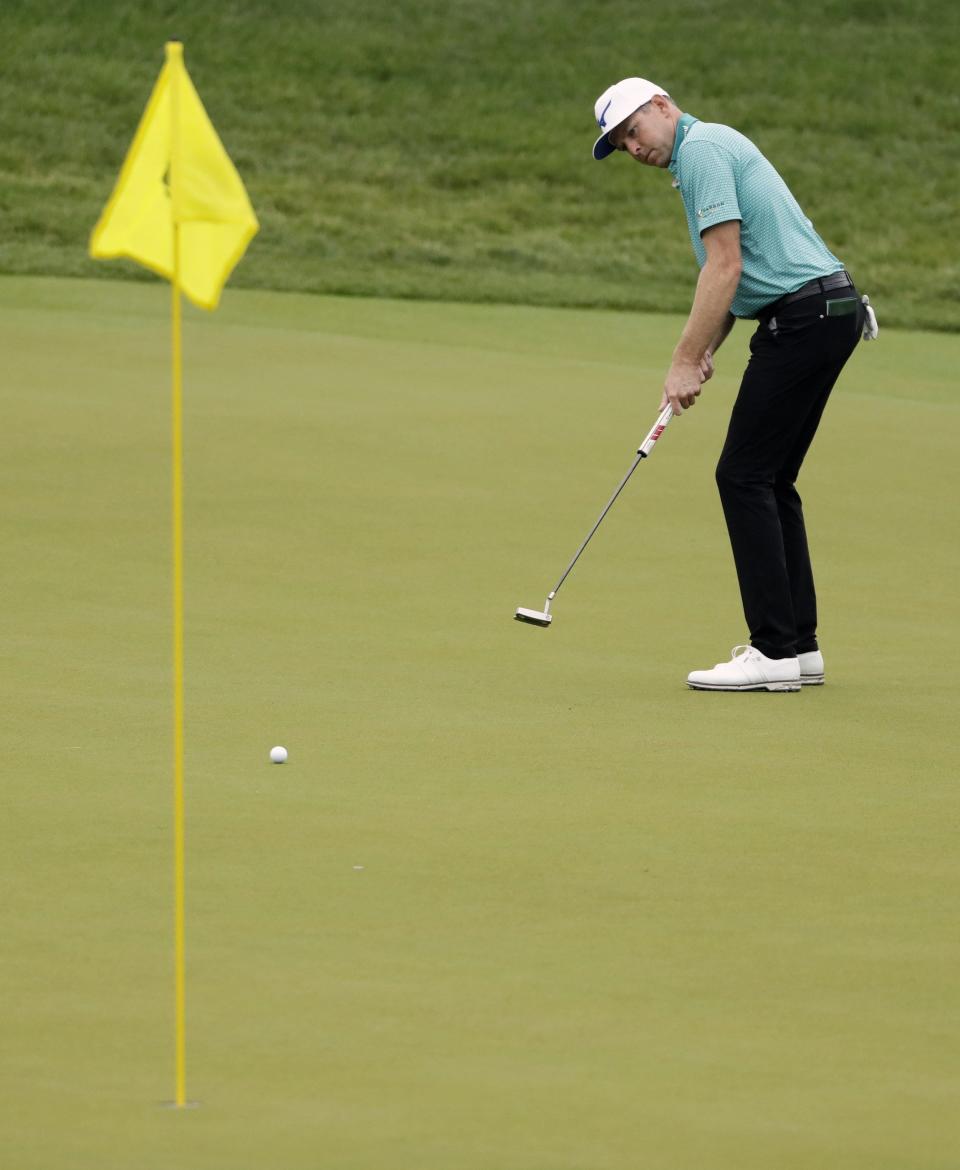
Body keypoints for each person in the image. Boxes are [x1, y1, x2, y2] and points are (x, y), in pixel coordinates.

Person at [592, 77, 876, 693]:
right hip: (829, 313)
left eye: (633, 131)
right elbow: (730, 282)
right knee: (771, 479)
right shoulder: (705, 152)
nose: (633, 148)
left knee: (742, 475)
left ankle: (772, 651)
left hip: (802, 319)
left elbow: (726, 266)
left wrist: (681, 357)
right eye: (620, 144)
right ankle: (799, 646)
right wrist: (700, 357)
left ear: (662, 106)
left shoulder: (701, 152)